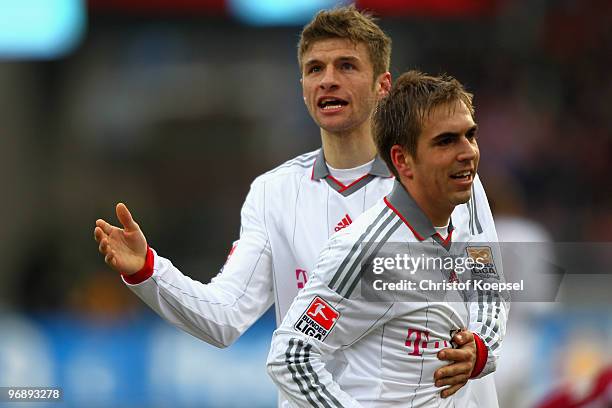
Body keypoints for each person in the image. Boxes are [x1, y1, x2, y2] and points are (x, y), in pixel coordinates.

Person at [93, 5, 499, 405]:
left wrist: (480, 347)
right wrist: (149, 270)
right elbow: (225, 316)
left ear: (383, 85)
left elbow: (489, 282)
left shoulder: (443, 178)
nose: (328, 80)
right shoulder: (274, 193)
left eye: (347, 66)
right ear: (303, 87)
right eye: (315, 69)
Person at [266, 70, 509, 407]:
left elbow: (488, 284)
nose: (467, 151)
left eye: (470, 135)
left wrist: (480, 349)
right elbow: (291, 355)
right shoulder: (367, 251)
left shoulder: (466, 223)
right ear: (402, 160)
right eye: (445, 141)